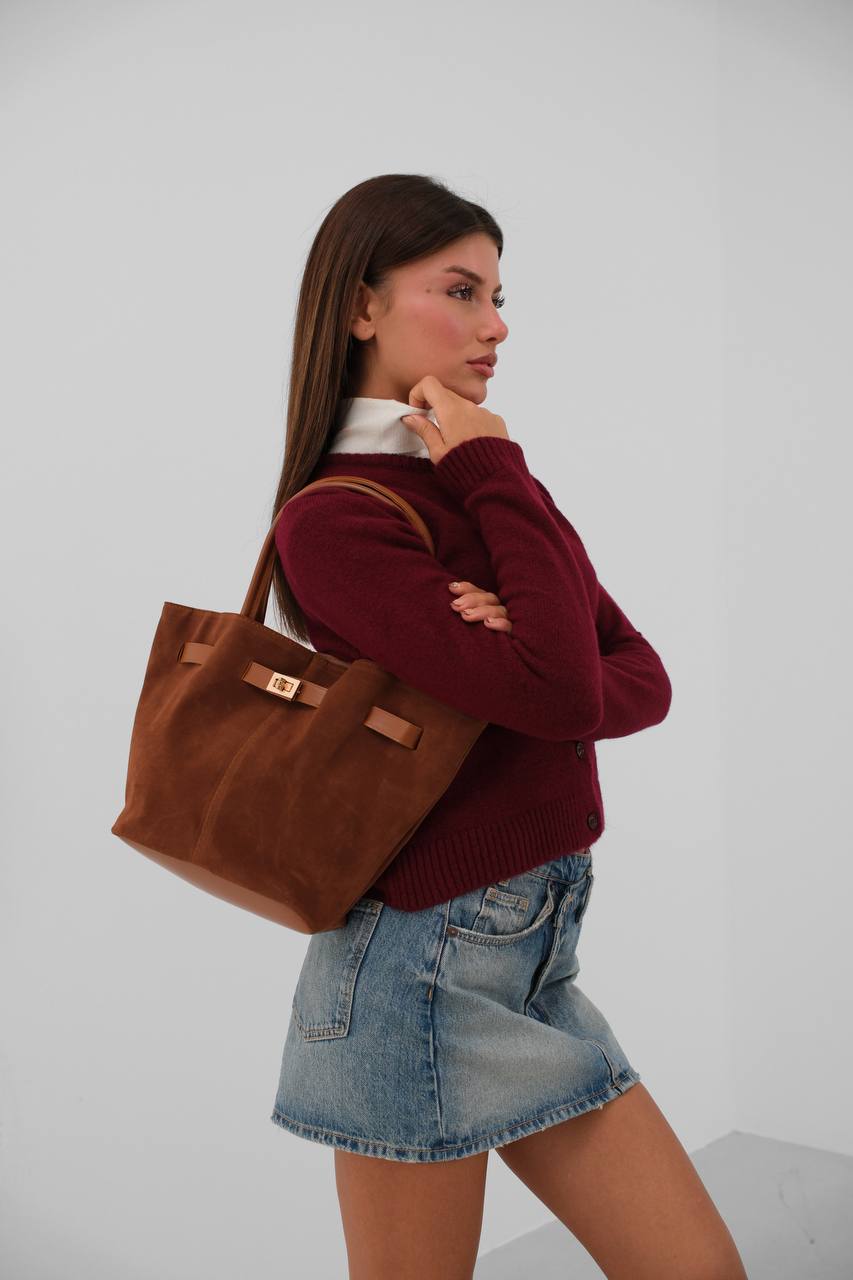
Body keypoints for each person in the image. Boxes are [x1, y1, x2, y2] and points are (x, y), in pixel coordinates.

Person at [267, 174, 747, 1280]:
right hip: (414, 965)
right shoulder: (336, 519)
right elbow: (569, 694)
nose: (496, 325)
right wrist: (536, 636)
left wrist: (496, 499)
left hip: (530, 959)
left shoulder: (479, 476)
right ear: (361, 307)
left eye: (497, 295)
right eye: (460, 291)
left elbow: (637, 677)